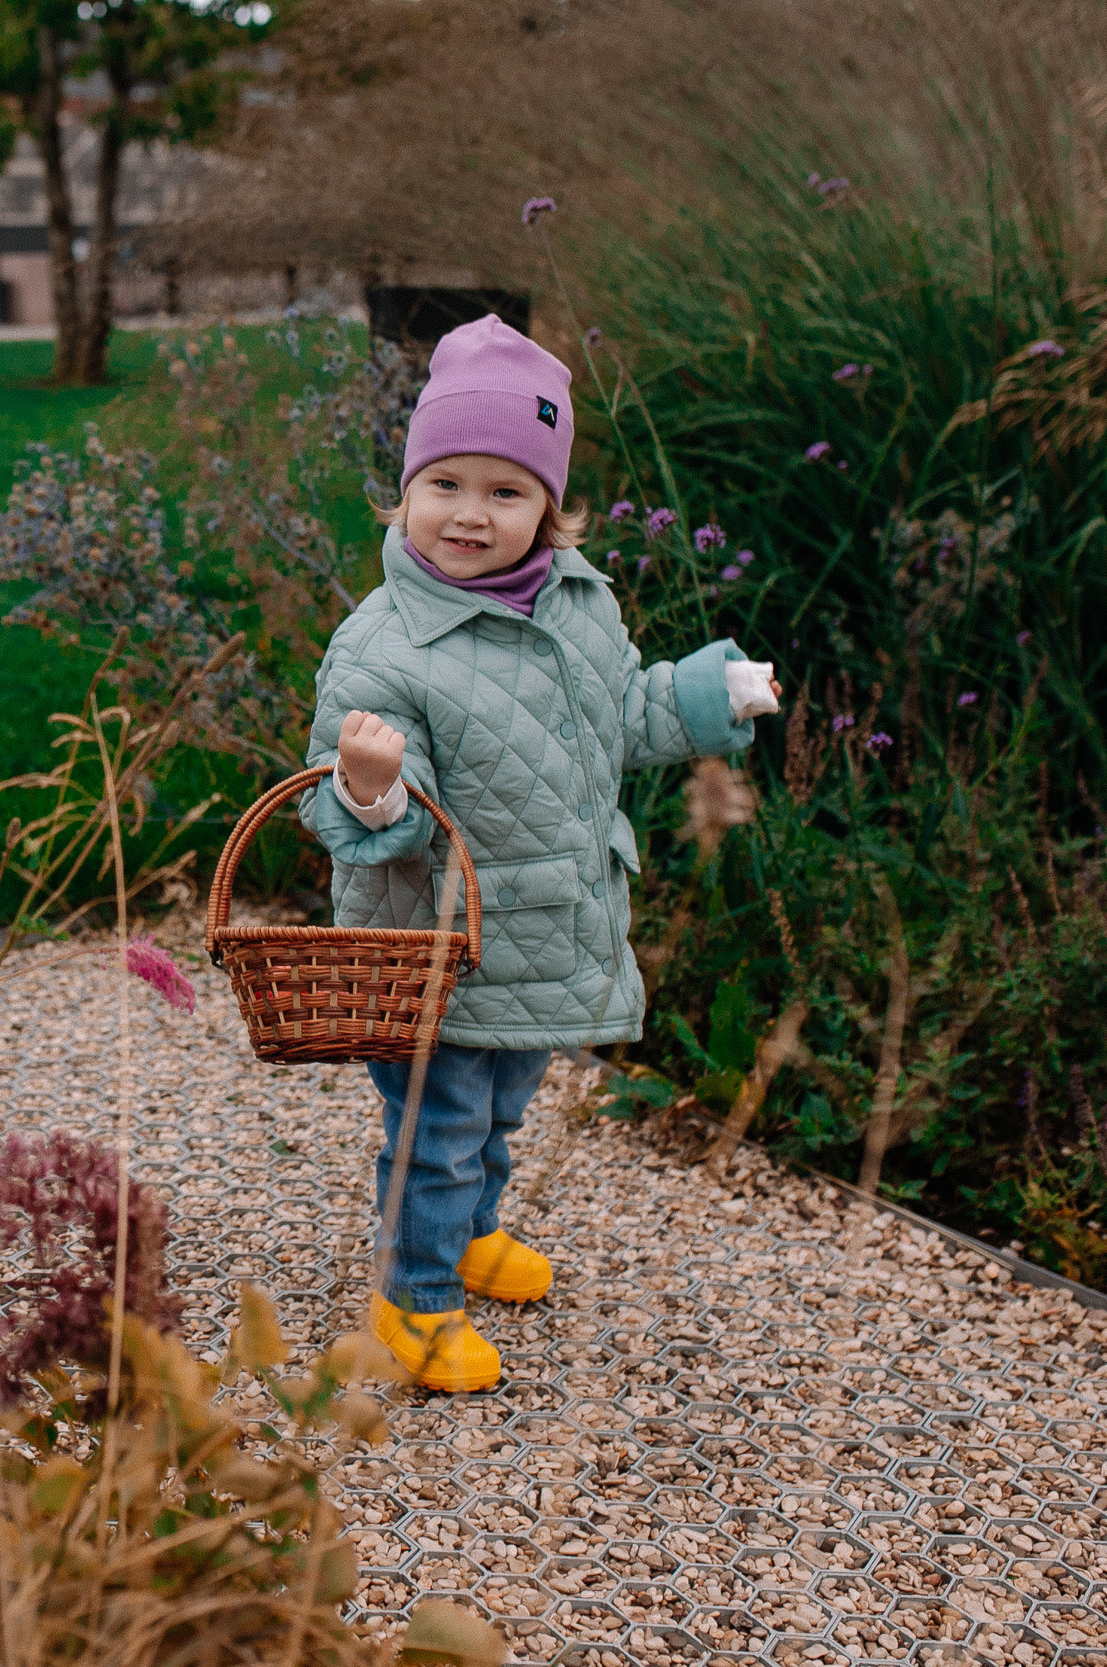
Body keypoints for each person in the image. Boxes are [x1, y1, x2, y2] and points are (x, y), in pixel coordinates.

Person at [299, 315, 781, 1392]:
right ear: (406, 492)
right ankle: (411, 1297)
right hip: (435, 943)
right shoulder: (385, 643)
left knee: (502, 1102)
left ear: (549, 512)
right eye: (447, 483)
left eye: (505, 492)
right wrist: (369, 788)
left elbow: (616, 720)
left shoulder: (578, 602)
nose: (470, 512)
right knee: (437, 1121)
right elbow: (362, 810)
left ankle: (470, 1238)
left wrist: (707, 694)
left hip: (548, 926)